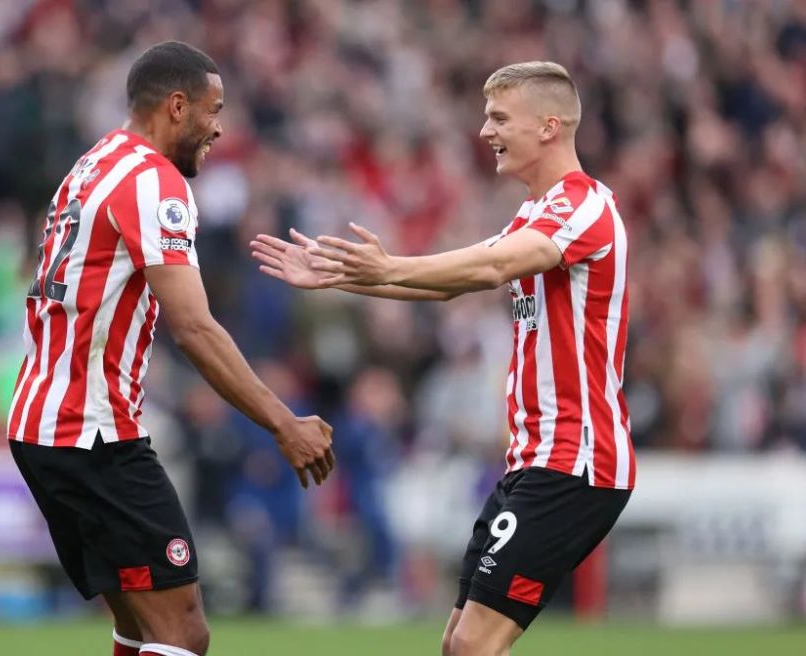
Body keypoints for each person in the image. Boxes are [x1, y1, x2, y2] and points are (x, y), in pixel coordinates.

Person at [251, 61, 634, 656]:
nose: (485, 131)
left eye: (500, 118)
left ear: (549, 126)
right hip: (533, 459)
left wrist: (388, 266)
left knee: (475, 644)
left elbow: (492, 267)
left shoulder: (585, 206)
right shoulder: (536, 213)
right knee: (459, 643)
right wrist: (341, 277)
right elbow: (448, 285)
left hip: (576, 461)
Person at [7, 41, 335, 656]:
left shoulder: (93, 163)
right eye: (214, 110)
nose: (220, 127)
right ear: (178, 107)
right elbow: (194, 328)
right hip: (92, 430)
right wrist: (283, 423)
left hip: (42, 421)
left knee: (140, 626)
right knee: (183, 630)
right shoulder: (154, 182)